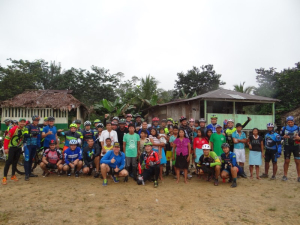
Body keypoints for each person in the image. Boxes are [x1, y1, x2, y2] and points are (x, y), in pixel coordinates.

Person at [2, 118, 26, 185]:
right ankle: (4, 177)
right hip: (11, 148)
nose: (22, 123)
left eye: (24, 122)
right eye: (21, 122)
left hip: (18, 148)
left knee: (15, 162)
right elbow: (7, 138)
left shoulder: (24, 129)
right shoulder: (14, 129)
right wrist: (6, 148)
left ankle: (13, 175)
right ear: (18, 123)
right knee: (8, 162)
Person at [281, 116, 300, 182]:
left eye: (291, 122)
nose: (290, 123)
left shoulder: (298, 128)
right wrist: (283, 136)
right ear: (287, 122)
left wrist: (299, 138)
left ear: (293, 121)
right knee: (287, 161)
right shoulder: (284, 128)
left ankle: (299, 176)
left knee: (297, 161)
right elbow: (280, 137)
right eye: (288, 122)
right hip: (287, 146)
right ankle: (285, 175)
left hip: (296, 146)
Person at [23, 115, 42, 180]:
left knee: (31, 159)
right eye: (35, 120)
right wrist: (31, 134)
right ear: (33, 120)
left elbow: (39, 137)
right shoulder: (28, 127)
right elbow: (25, 135)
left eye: (37, 121)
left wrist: (39, 145)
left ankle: (29, 172)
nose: (36, 122)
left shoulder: (38, 128)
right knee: (27, 159)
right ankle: (26, 175)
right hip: (28, 145)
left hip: (34, 146)